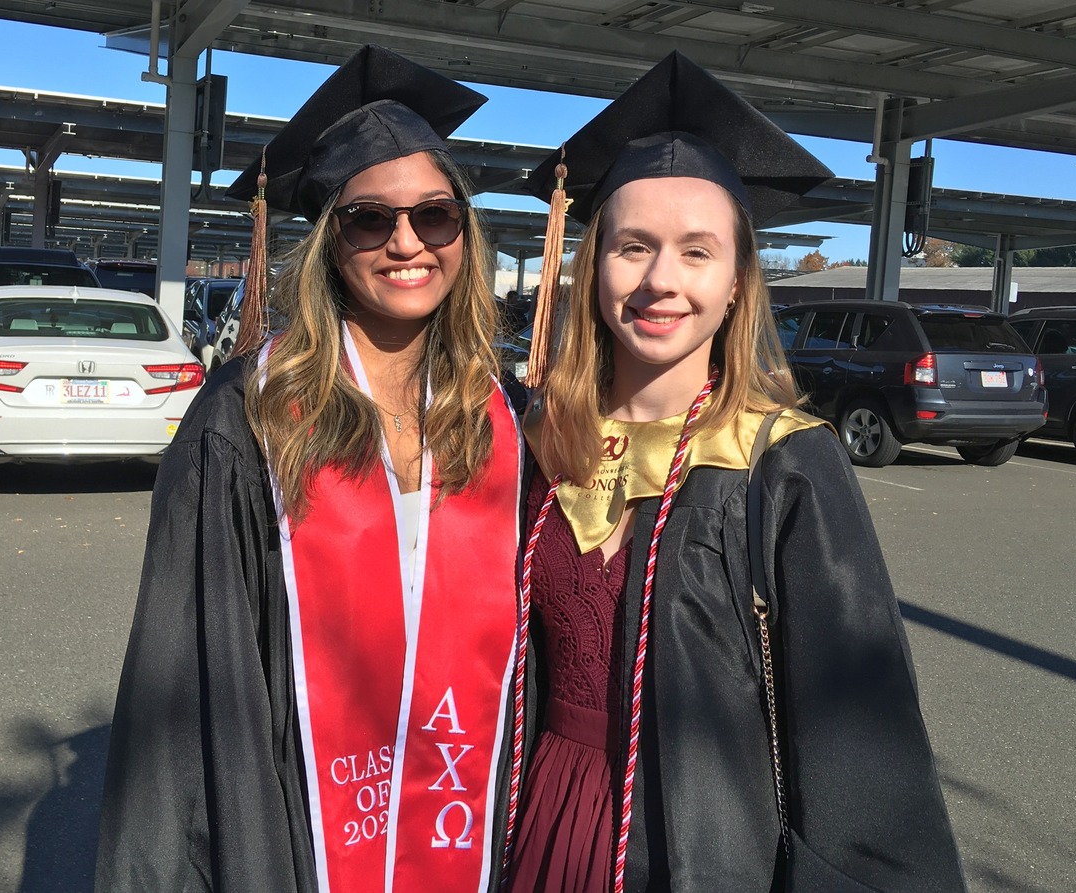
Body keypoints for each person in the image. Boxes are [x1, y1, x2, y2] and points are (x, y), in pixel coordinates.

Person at [507, 50, 968, 892]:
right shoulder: (540, 442)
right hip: (540, 824)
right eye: (633, 246)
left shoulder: (783, 464)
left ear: (735, 283)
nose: (660, 281)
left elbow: (862, 743)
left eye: (697, 252)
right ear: (594, 265)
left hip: (707, 844)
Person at [94, 46, 525, 893]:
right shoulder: (245, 415)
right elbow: (183, 676)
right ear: (331, 241)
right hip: (296, 834)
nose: (406, 241)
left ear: (463, 234)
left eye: (435, 216)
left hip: (467, 823)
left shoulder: (501, 415)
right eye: (371, 219)